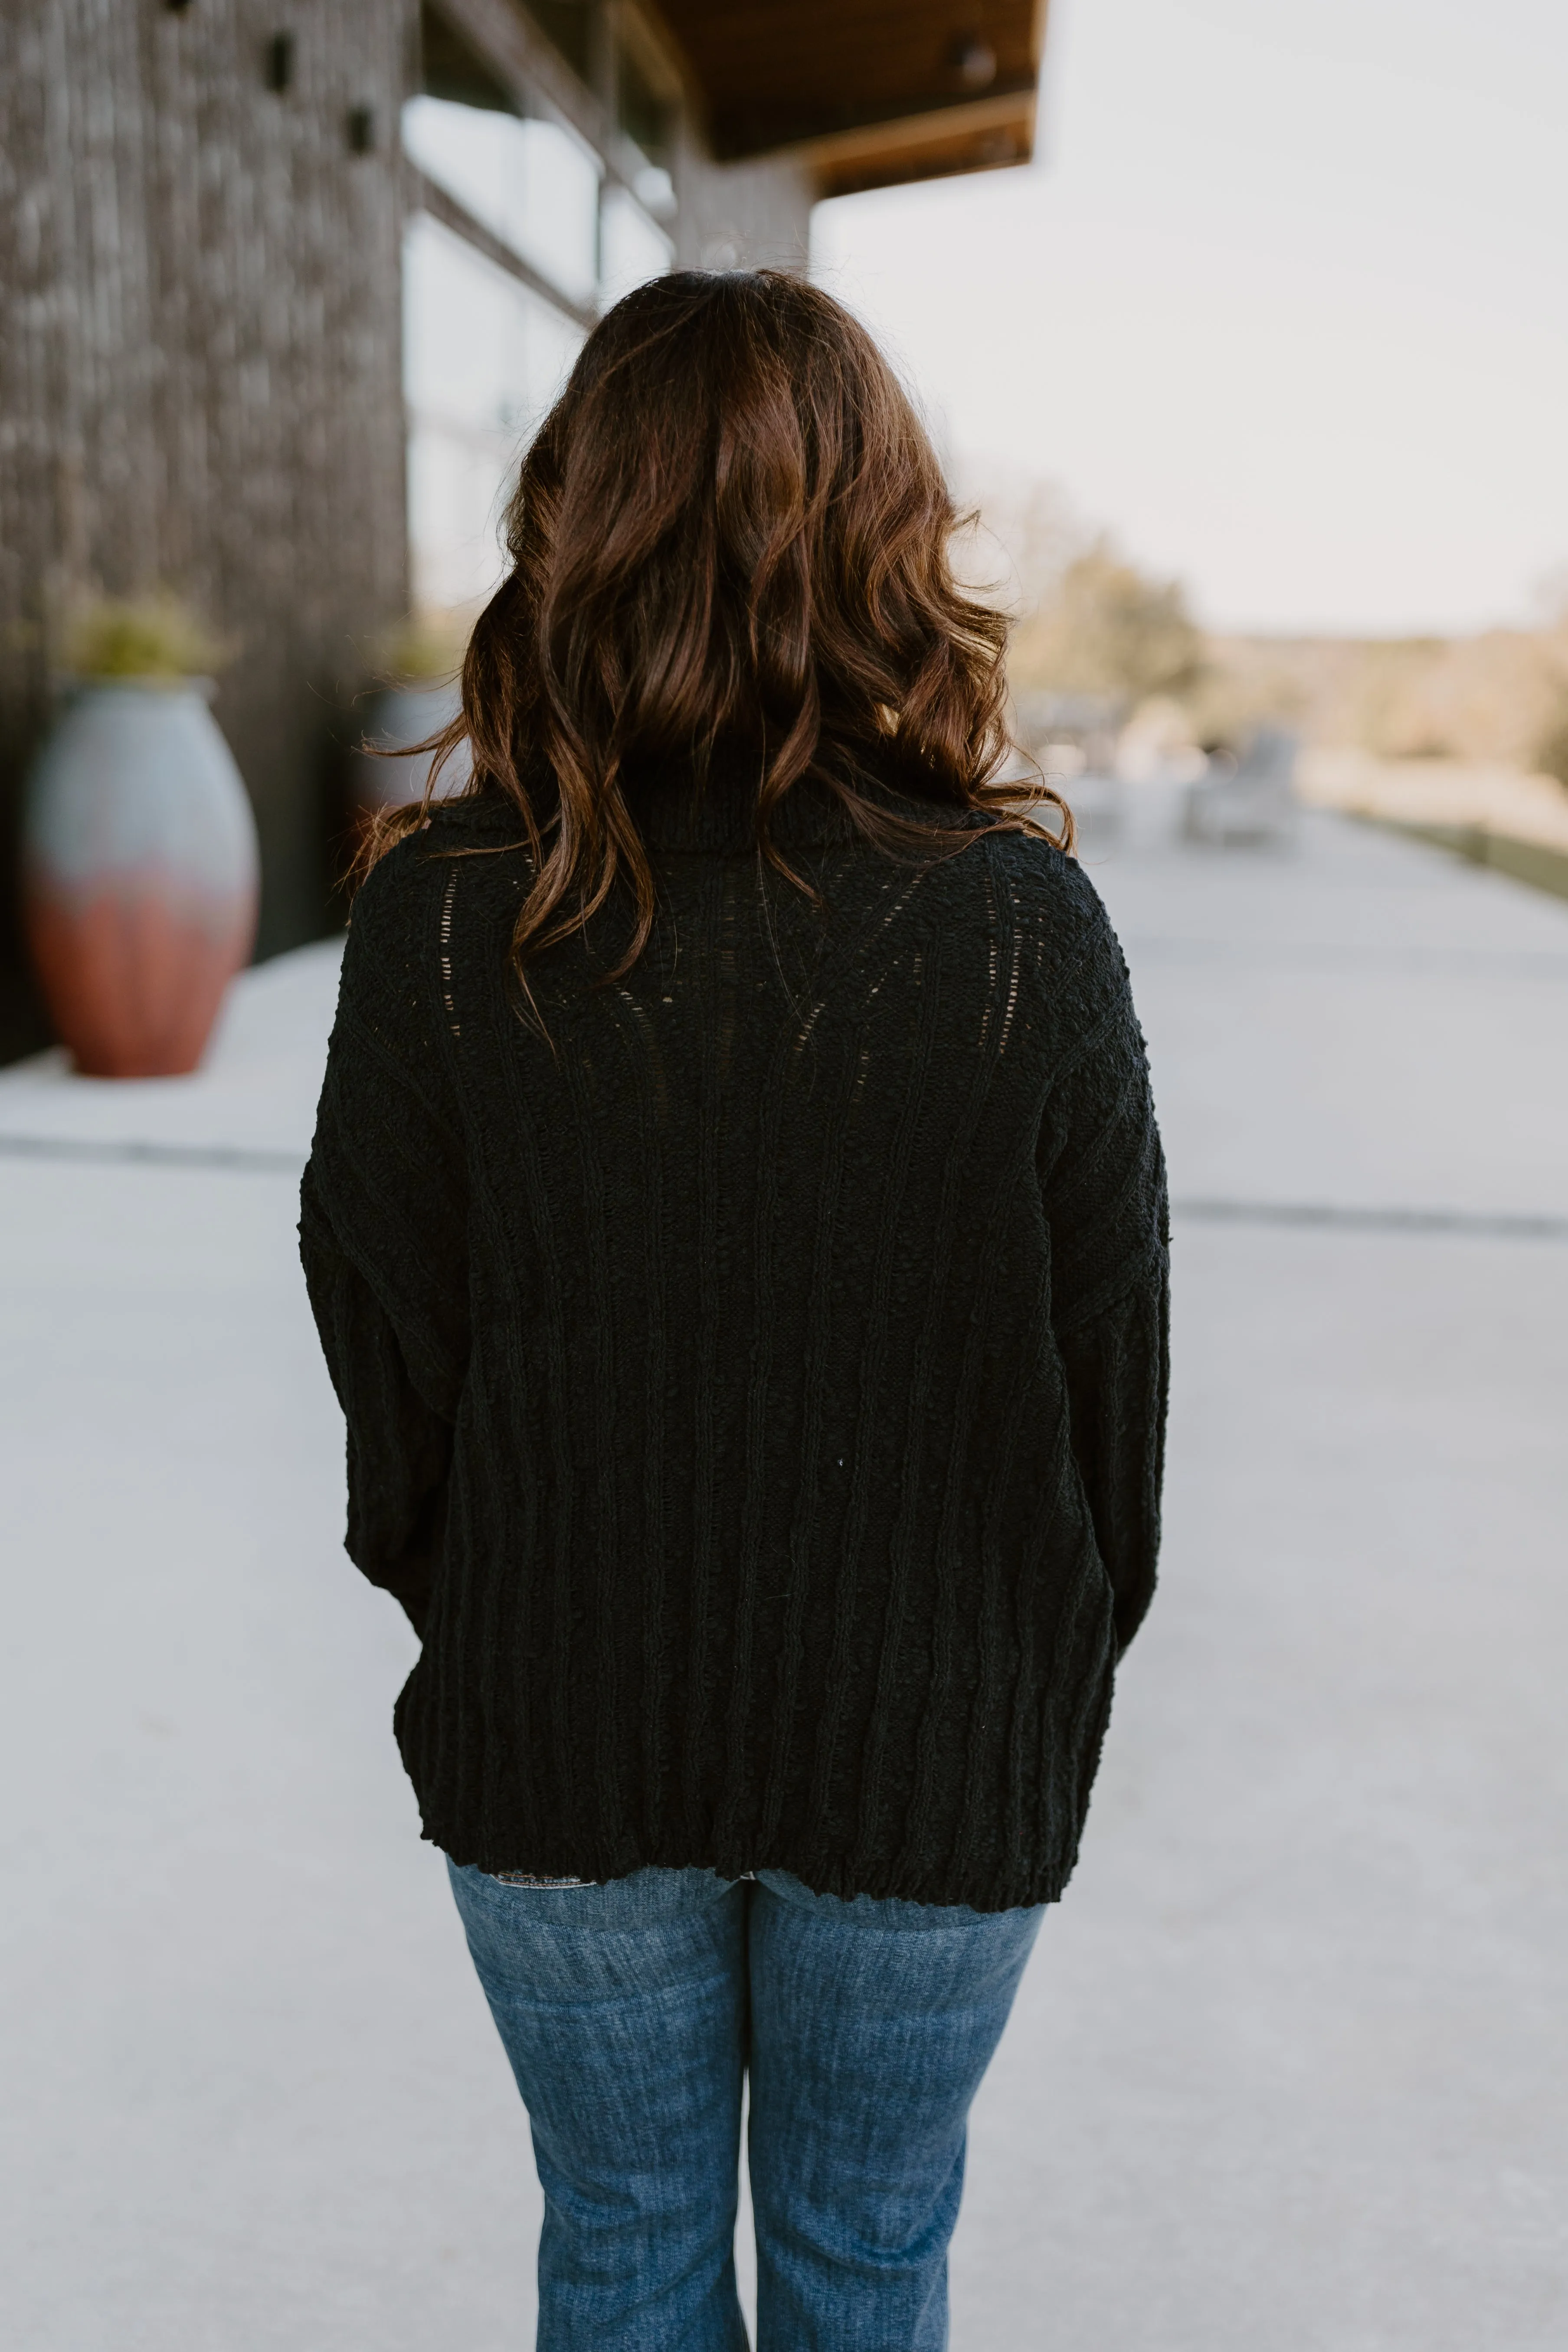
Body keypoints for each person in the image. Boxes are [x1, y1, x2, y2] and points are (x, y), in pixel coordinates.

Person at [300, 269, 1168, 2352]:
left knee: (622, 2237)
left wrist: (497, 1602)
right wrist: (1019, 1664)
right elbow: (1112, 1409)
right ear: (887, 537)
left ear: (569, 531)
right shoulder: (1018, 930)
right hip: (941, 1746)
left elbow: (385, 1359)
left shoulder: (442, 920)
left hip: (558, 1726)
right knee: (870, 2254)